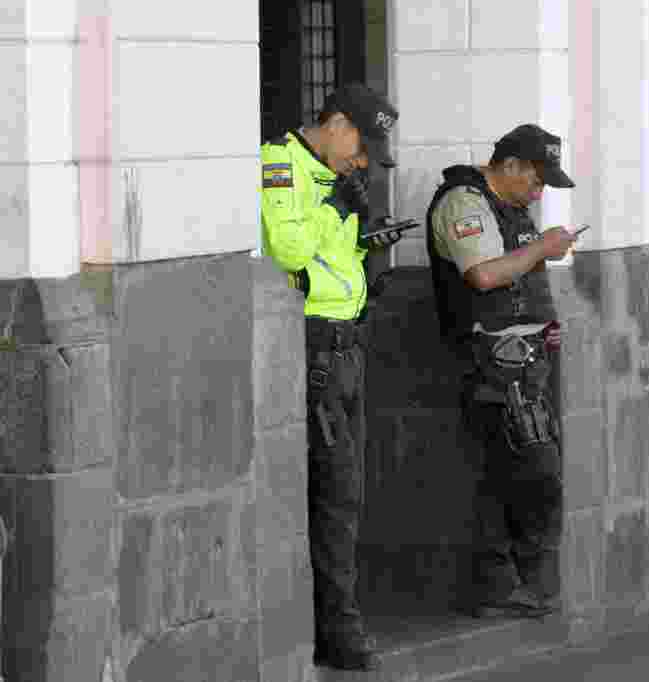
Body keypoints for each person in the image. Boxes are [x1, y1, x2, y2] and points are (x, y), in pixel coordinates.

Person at [260, 83, 403, 671]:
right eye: (360, 146)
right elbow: (290, 249)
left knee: (347, 494)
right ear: (337, 124)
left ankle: (338, 623)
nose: (361, 160)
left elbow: (333, 261)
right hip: (314, 348)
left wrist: (366, 242)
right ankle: (337, 633)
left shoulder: (331, 179)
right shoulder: (280, 162)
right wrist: (332, 209)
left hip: (348, 344)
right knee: (334, 495)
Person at [426, 124, 578, 618]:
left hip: (525, 359)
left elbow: (521, 280)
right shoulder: (465, 202)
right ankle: (515, 582)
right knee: (531, 472)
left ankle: (510, 584)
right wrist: (543, 249)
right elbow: (484, 274)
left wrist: (545, 326)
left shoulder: (511, 208)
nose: (539, 192)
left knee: (511, 473)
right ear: (509, 165)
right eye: (535, 180)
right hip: (490, 360)